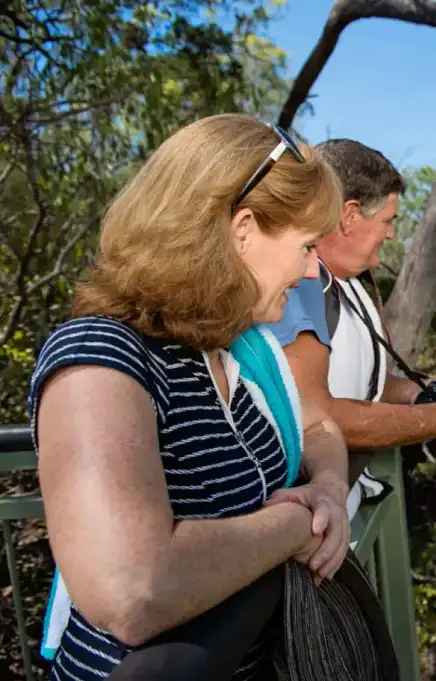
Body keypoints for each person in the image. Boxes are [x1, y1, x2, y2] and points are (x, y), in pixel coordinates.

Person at [30, 114, 352, 681]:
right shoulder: (100, 357)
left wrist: (326, 489)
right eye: (305, 247)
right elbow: (134, 589)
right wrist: (296, 528)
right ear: (242, 229)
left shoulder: (231, 345)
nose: (309, 272)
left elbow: (319, 427)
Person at [267, 138, 436, 490]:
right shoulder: (300, 285)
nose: (392, 233)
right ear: (349, 215)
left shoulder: (344, 283)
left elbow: (353, 384)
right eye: (387, 220)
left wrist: (419, 394)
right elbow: (314, 415)